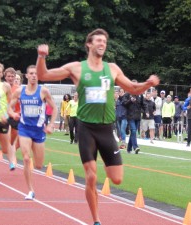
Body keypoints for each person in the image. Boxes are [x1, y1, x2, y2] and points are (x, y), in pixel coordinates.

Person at [36, 28, 159, 225]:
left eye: (104, 42)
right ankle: (96, 220)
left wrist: (148, 83)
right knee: (91, 177)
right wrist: (41, 56)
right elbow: (43, 74)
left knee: (117, 178)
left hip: (106, 129)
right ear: (89, 44)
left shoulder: (112, 69)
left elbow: (133, 88)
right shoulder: (76, 68)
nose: (102, 44)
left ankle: (104, 157)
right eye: (98, 41)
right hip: (86, 128)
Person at [8, 65, 57, 200]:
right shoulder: (19, 91)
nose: (34, 76)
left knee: (39, 165)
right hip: (24, 129)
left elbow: (54, 108)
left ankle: (34, 175)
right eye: (31, 73)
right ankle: (30, 190)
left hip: (39, 130)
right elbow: (9, 107)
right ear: (27, 75)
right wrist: (13, 114)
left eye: (36, 74)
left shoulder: (43, 91)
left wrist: (51, 125)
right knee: (25, 158)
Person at [122, 80, 146, 154]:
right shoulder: (127, 94)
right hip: (130, 116)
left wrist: (145, 111)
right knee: (134, 130)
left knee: (133, 132)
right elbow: (124, 103)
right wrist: (130, 101)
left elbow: (143, 104)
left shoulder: (140, 94)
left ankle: (129, 148)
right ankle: (135, 147)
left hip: (138, 117)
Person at [4, 67, 19, 171]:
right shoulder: (1, 87)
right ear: (5, 77)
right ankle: (12, 161)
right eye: (8, 76)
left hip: (15, 115)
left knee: (12, 140)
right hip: (4, 116)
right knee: (7, 136)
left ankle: (11, 157)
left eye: (12, 76)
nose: (10, 78)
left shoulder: (18, 89)